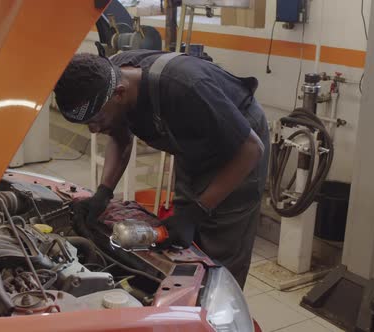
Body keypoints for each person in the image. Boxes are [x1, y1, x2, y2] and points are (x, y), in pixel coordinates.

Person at [53, 49, 270, 288]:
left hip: (239, 149)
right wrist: (103, 193)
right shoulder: (106, 77)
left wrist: (195, 212)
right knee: (180, 237)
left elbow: (251, 150)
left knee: (221, 247)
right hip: (194, 146)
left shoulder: (186, 87)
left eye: (97, 121)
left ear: (120, 94)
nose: (93, 130)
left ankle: (217, 314)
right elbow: (120, 136)